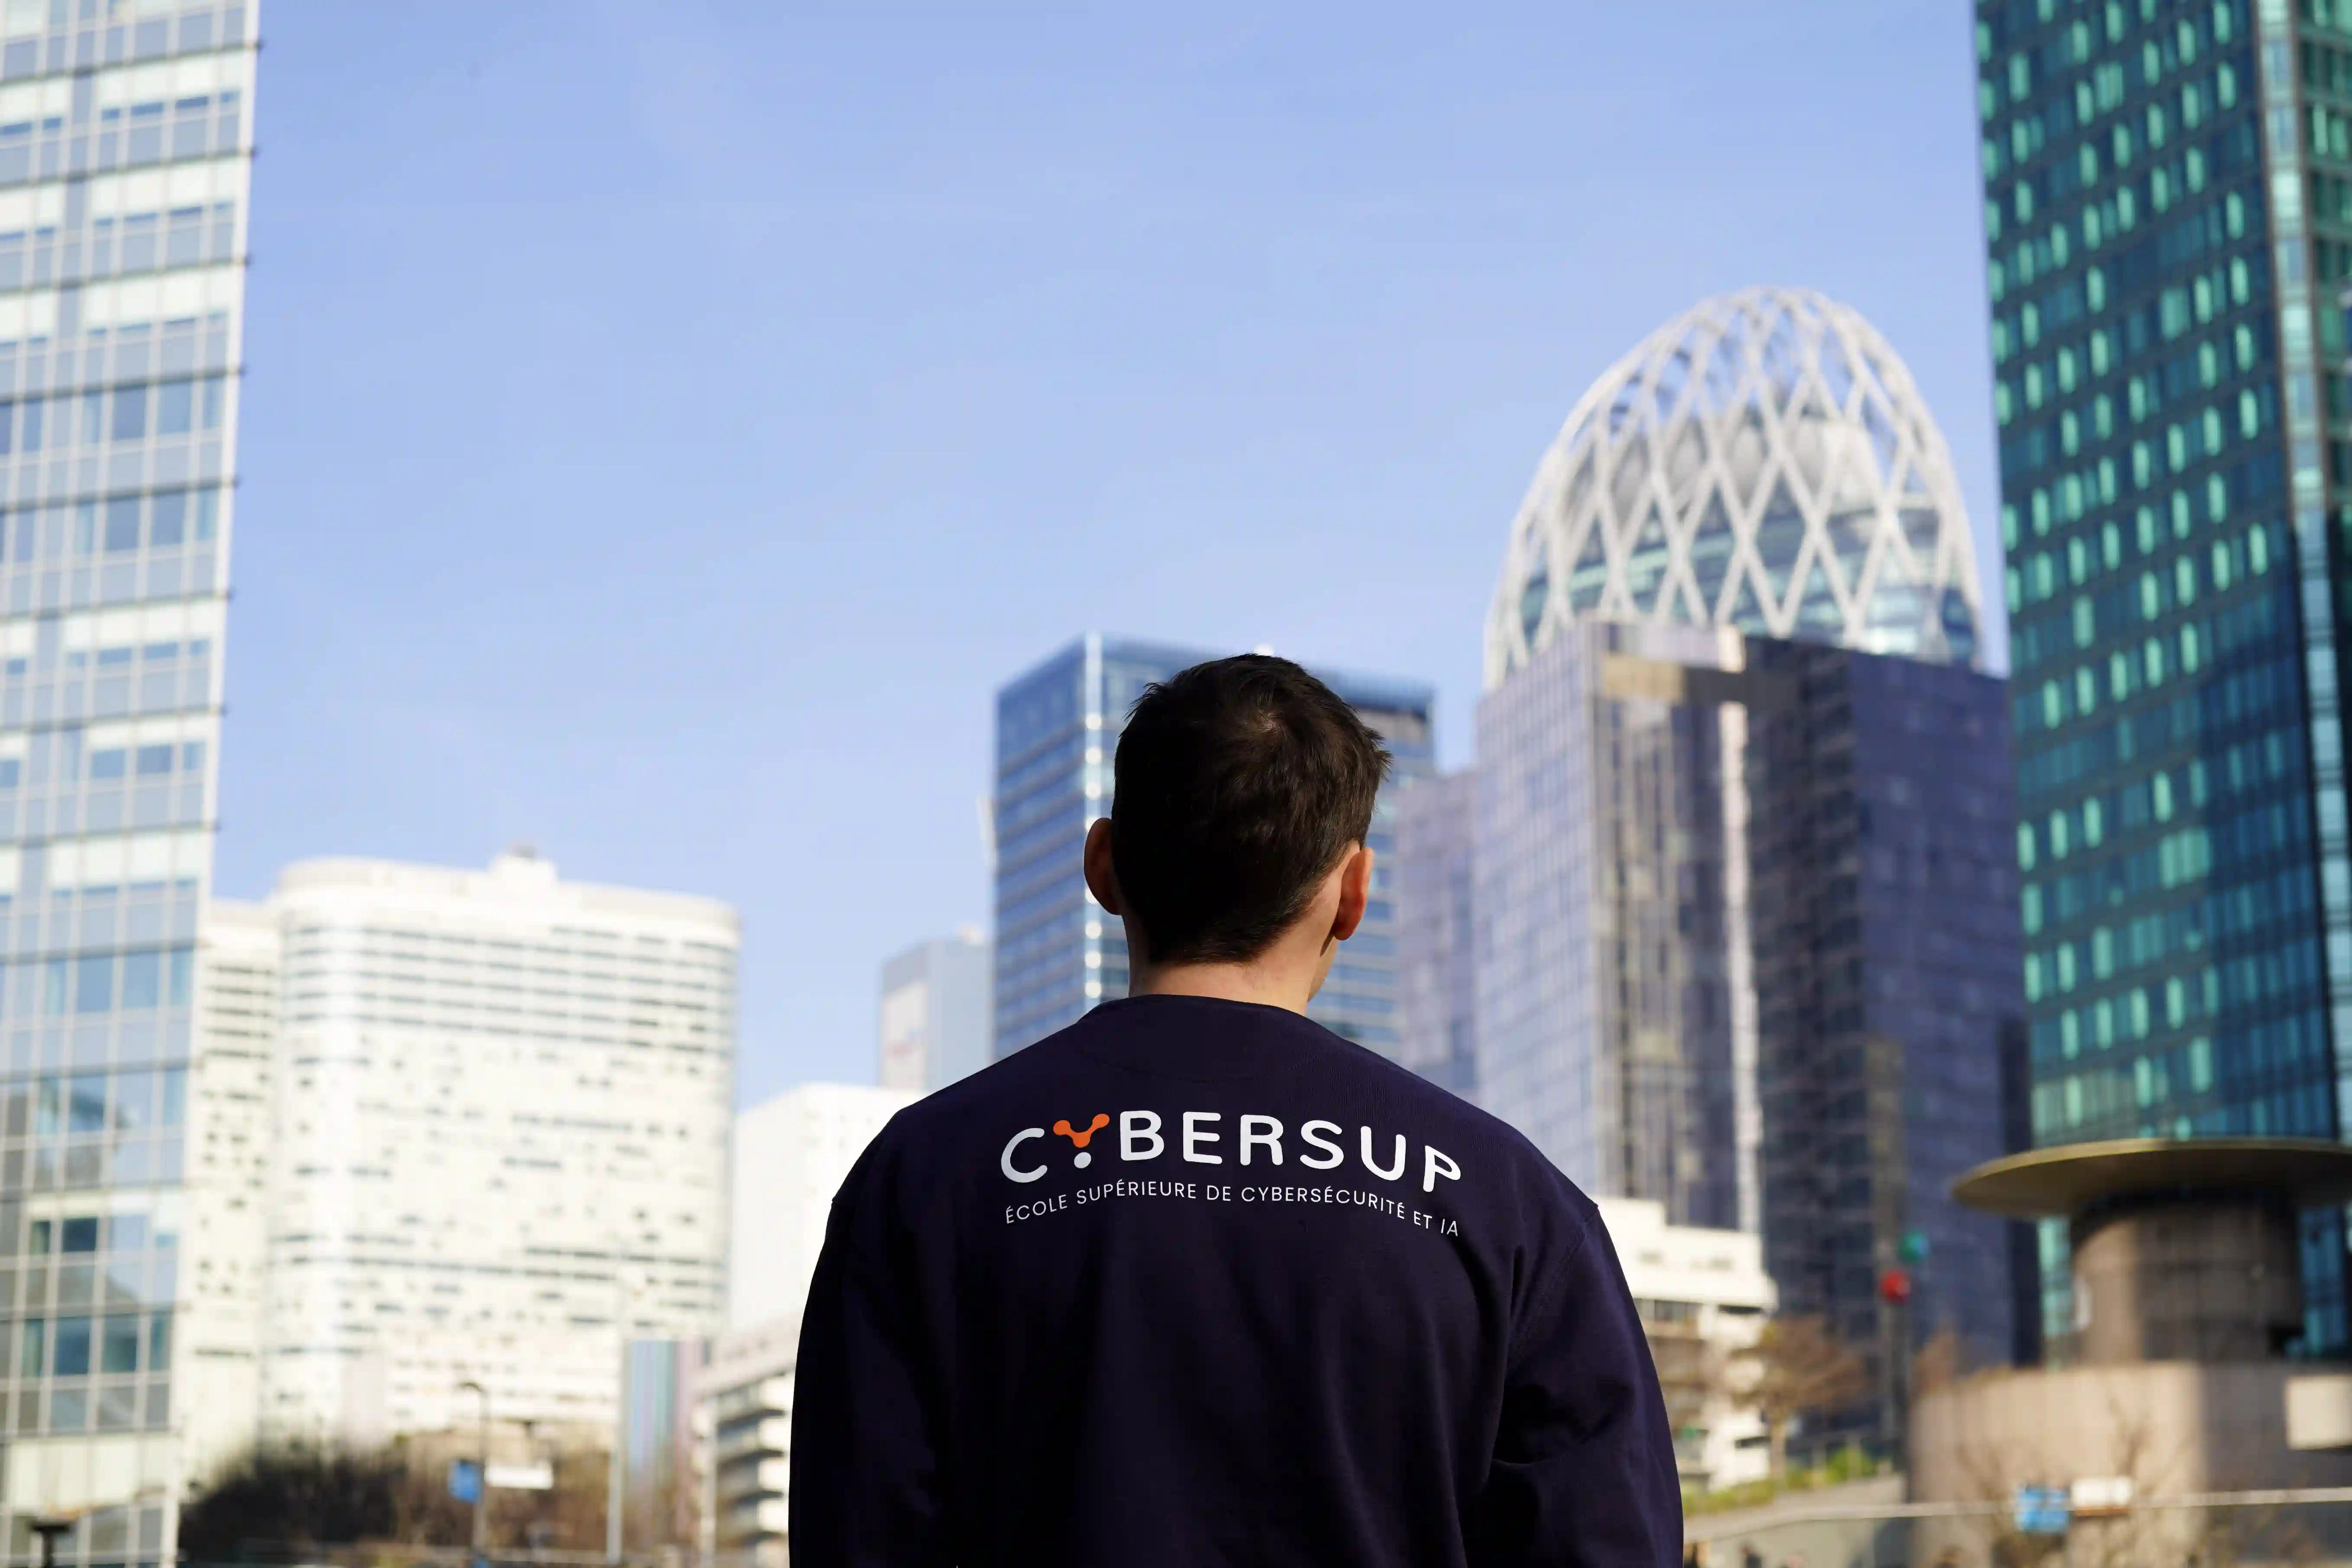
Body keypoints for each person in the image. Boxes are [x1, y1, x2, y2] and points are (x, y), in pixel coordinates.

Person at [790, 654, 1681, 1567]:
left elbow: (859, 1534)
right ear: (1352, 890)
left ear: (1103, 863)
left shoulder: (927, 1176)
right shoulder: (1506, 1202)